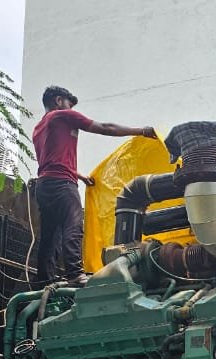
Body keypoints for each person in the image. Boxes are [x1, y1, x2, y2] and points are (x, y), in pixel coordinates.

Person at [32, 85, 157, 284]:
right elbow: (106, 128)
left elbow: (51, 160)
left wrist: (80, 176)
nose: (71, 109)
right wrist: (141, 131)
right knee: (74, 225)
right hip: (63, 184)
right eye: (69, 104)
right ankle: (75, 275)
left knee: (50, 236)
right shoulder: (63, 115)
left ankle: (43, 281)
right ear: (58, 101)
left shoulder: (38, 129)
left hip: (44, 185)